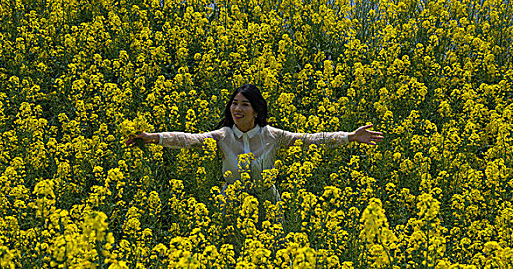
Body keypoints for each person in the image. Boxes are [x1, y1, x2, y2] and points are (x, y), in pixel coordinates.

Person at [126, 84, 383, 199]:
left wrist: (350, 137)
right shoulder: (223, 136)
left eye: (244, 105)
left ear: (256, 110)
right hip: (232, 202)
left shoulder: (271, 135)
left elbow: (309, 141)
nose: (237, 109)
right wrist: (153, 138)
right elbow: (188, 140)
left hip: (267, 200)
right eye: (234, 104)